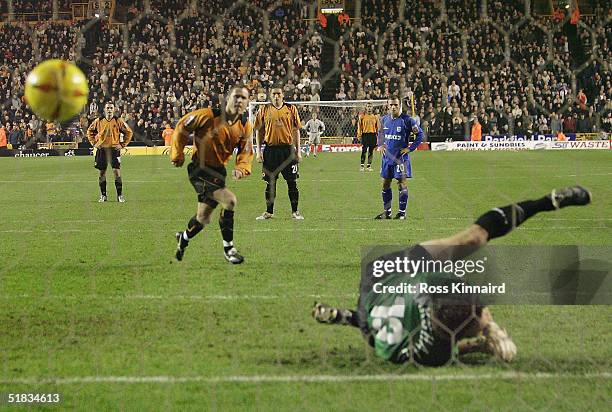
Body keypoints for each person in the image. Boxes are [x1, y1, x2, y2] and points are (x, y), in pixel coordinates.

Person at [313, 186, 592, 365]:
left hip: (387, 270)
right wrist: (485, 341)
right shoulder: (425, 349)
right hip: (386, 292)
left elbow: (368, 324)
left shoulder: (426, 344)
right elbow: (463, 338)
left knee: (471, 240)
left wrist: (490, 333)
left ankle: (548, 201)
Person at [171, 85, 253, 264]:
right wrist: (177, 154)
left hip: (218, 172)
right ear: (228, 98)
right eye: (236, 96)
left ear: (247, 103)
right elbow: (182, 126)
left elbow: (246, 151)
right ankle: (229, 249)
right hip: (199, 169)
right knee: (230, 201)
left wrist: (241, 168)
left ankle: (183, 238)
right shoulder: (208, 115)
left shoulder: (245, 125)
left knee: (203, 218)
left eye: (243, 98)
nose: (239, 101)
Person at [254, 86, 304, 220]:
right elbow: (259, 131)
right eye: (274, 94)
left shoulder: (291, 109)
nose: (276, 96)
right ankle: (269, 212)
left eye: (279, 94)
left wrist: (298, 151)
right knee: (270, 183)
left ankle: (295, 212)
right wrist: (258, 152)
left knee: (292, 182)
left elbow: (296, 130)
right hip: (270, 151)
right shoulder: (263, 109)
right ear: (271, 95)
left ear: (283, 95)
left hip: (287, 150)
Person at [375, 96, 423, 220]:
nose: (393, 107)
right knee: (385, 183)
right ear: (388, 105)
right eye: (391, 105)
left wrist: (410, 148)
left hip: (401, 158)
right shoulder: (384, 119)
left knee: (401, 183)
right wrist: (380, 145)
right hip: (387, 158)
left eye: (396, 105)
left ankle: (401, 213)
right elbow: (380, 133)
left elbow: (420, 135)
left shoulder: (407, 120)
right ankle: (387, 212)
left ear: (400, 105)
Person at [86, 102, 133, 203]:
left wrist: (122, 144)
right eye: (108, 108)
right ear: (104, 109)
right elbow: (90, 131)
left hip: (114, 150)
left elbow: (129, 132)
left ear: (114, 109)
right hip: (102, 149)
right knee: (102, 172)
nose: (109, 110)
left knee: (116, 172)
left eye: (111, 108)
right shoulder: (98, 121)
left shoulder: (118, 120)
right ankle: (103, 196)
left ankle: (120, 196)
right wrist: (94, 143)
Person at [357, 103, 380, 171]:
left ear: (372, 108)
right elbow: (359, 126)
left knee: (371, 151)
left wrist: (378, 137)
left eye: (370, 106)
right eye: (368, 106)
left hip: (373, 135)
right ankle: (361, 166)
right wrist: (359, 135)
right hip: (365, 135)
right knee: (364, 150)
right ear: (366, 108)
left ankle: (368, 166)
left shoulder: (375, 117)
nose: (369, 108)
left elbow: (378, 127)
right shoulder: (362, 116)